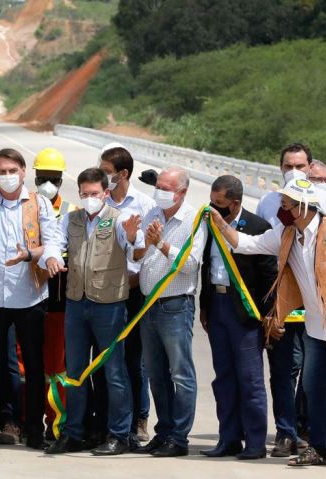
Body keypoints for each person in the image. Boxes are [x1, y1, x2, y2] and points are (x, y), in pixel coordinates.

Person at [209, 177, 326, 471]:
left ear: (302, 205)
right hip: (317, 327)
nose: (281, 209)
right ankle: (320, 449)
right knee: (312, 388)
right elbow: (247, 244)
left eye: (286, 204)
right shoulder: (285, 234)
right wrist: (221, 225)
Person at [0, 148, 61, 450]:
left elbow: (53, 241)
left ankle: (33, 428)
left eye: (12, 170)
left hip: (29, 296)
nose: (6, 176)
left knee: (33, 367)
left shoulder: (39, 204)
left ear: (23, 172)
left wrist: (33, 255)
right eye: (1, 171)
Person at [44, 167, 140, 456]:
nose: (89, 199)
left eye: (94, 194)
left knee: (114, 372)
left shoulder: (120, 220)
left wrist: (134, 237)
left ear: (106, 193)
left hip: (108, 304)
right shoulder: (71, 219)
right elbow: (54, 243)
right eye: (84, 194)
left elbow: (136, 253)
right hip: (76, 302)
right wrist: (50, 257)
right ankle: (74, 432)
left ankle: (119, 434)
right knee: (74, 372)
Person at [198, 175, 276, 460]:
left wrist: (267, 316)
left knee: (250, 379)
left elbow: (269, 276)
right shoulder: (209, 223)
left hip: (244, 312)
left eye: (219, 204)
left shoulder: (257, 227)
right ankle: (228, 438)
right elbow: (206, 264)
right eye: (211, 201)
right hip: (217, 305)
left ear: (236, 203)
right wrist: (205, 306)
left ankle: (255, 442)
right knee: (224, 378)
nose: (213, 208)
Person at [132, 167, 207, 457]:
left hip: (175, 305)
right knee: (155, 373)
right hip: (149, 305)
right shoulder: (152, 214)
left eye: (166, 188)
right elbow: (138, 255)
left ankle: (179, 437)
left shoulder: (193, 220)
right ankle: (163, 432)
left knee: (181, 374)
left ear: (182, 192)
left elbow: (190, 265)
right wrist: (136, 242)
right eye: (158, 186)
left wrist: (161, 244)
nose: (159, 192)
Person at [254, 143, 315, 456]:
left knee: (313, 370)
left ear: (310, 167)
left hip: (316, 303)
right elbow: (260, 250)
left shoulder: (324, 201)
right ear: (280, 168)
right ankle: (286, 432)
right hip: (282, 300)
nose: (294, 171)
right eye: (288, 165)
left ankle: (308, 427)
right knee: (283, 368)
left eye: (300, 166)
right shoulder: (267, 203)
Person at [98, 143, 156, 444]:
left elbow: (148, 249)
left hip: (133, 291)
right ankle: (109, 419)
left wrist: (134, 273)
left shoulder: (144, 205)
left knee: (135, 359)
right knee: (108, 357)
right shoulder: (99, 201)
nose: (103, 178)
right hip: (104, 293)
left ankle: (140, 418)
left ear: (123, 174)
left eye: (107, 173)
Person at [31, 148, 78, 440]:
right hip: (29, 297)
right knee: (27, 365)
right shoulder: (27, 208)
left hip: (59, 299)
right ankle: (26, 421)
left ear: (61, 180)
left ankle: (56, 423)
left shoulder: (72, 213)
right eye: (43, 177)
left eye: (53, 178)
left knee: (57, 367)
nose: (48, 183)